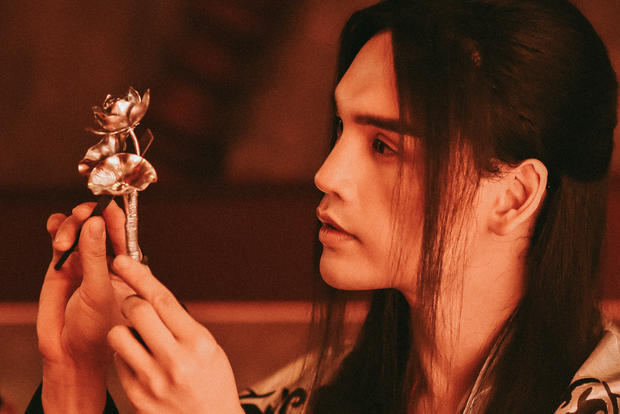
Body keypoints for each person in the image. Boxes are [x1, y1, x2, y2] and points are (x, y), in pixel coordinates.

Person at [27, 0, 618, 413]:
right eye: (340, 129)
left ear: (514, 196)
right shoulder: (311, 395)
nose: (327, 174)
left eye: (385, 146)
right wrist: (75, 374)